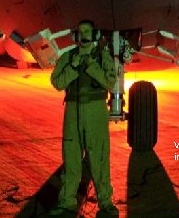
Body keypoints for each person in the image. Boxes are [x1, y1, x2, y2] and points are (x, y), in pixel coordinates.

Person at [49, 20, 119, 217]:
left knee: (99, 158)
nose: (84, 35)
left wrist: (90, 66)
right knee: (71, 158)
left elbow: (111, 82)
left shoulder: (102, 57)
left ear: (94, 34)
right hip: (72, 111)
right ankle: (66, 202)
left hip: (96, 111)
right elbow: (57, 82)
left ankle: (106, 203)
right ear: (76, 36)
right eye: (81, 32)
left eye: (88, 32)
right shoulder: (68, 57)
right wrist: (73, 66)